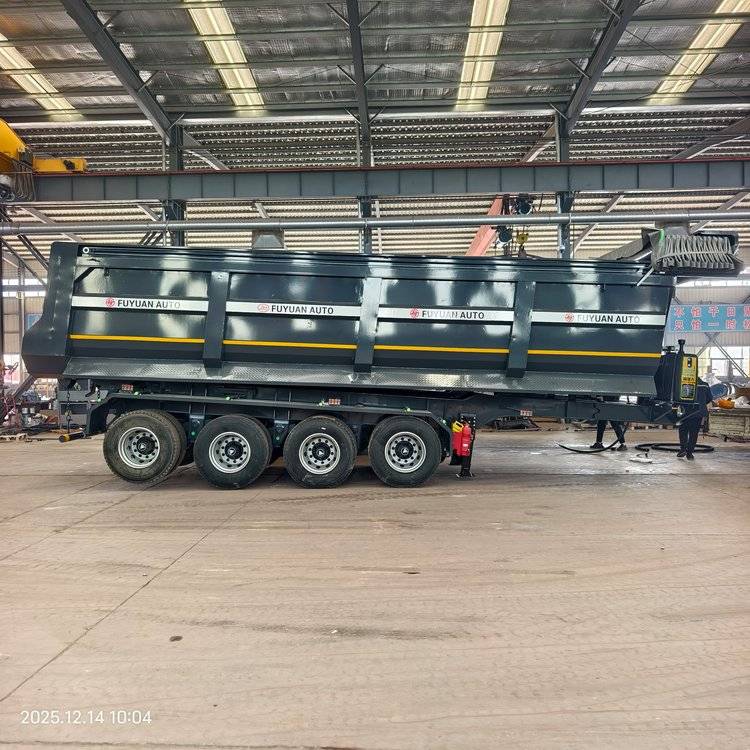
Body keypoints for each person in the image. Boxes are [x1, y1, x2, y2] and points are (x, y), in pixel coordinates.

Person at [677, 378, 712, 460]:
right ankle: (689, 453)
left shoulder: (683, 383)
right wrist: (701, 402)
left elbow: (678, 397)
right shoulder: (705, 385)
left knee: (683, 431)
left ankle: (683, 449)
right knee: (694, 433)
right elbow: (709, 398)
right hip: (698, 412)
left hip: (685, 412)